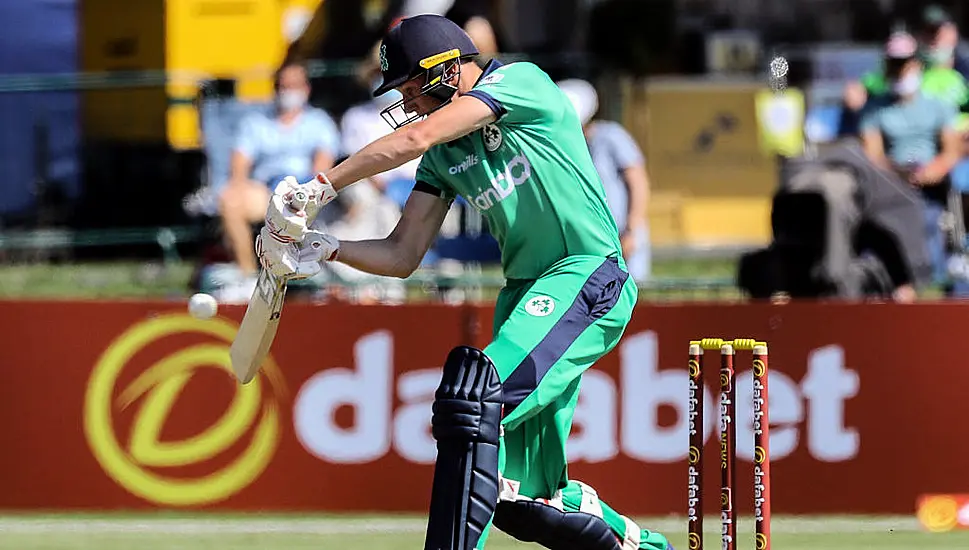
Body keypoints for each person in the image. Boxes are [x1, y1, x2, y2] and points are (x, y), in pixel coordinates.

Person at [255, 13, 671, 550]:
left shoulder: (521, 84)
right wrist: (329, 249)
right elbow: (403, 253)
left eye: (411, 89)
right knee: (523, 501)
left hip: (586, 274)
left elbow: (416, 137)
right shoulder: (445, 155)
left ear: (445, 72)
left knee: (474, 399)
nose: (408, 106)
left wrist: (320, 187)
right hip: (525, 292)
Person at [217, 60, 340, 301]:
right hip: (267, 192)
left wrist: (301, 196)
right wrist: (241, 186)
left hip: (306, 192)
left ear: (306, 89)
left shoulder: (319, 122)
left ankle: (319, 273)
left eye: (294, 85)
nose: (289, 91)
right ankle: (248, 277)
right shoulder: (255, 123)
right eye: (284, 86)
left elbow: (322, 169)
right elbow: (239, 168)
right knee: (230, 200)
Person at [860, 31, 963, 290]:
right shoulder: (874, 109)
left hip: (930, 188)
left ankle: (932, 283)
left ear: (916, 65)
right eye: (893, 64)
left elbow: (952, 149)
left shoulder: (937, 106)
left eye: (903, 63)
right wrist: (897, 174)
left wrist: (934, 170)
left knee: (928, 223)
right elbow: (872, 154)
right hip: (890, 187)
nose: (898, 70)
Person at [558, 78, 651, 282]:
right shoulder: (563, 147)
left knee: (630, 296)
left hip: (623, 234)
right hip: (589, 241)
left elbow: (638, 183)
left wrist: (631, 230)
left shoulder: (611, 135)